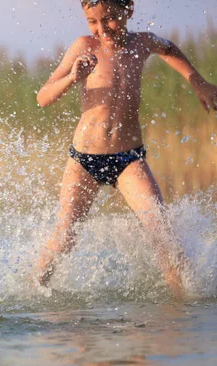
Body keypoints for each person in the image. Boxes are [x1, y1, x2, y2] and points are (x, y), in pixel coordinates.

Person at [34, 0, 217, 299]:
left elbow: (169, 48)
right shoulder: (84, 45)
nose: (102, 28)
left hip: (129, 158)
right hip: (85, 160)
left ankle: (184, 306)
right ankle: (34, 289)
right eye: (93, 21)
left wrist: (198, 83)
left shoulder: (142, 43)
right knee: (65, 236)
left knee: (163, 233)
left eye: (109, 19)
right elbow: (43, 97)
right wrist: (72, 78)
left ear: (128, 10)